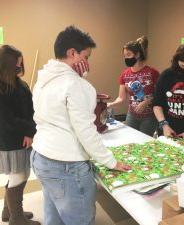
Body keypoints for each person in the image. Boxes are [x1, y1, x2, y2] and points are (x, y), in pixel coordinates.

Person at [30, 25, 131, 225]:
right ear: (72, 53)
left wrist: (80, 83)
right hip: (66, 165)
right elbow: (86, 131)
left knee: (54, 217)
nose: (87, 63)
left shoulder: (43, 79)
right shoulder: (76, 85)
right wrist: (110, 161)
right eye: (86, 57)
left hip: (40, 157)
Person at [0, 45, 40, 225]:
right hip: (12, 139)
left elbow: (32, 110)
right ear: (6, 63)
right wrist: (28, 131)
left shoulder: (20, 83)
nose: (20, 65)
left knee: (20, 175)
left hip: (25, 136)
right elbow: (6, 120)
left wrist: (31, 131)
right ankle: (17, 218)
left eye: (21, 62)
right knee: (18, 176)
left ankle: (8, 212)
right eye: (17, 62)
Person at [107, 36, 159, 136]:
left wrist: (146, 102)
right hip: (132, 115)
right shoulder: (124, 75)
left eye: (128, 55)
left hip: (149, 117)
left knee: (144, 144)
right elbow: (121, 98)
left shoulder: (152, 72)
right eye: (124, 56)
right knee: (130, 141)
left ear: (137, 54)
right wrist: (110, 105)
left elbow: (160, 94)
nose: (126, 58)